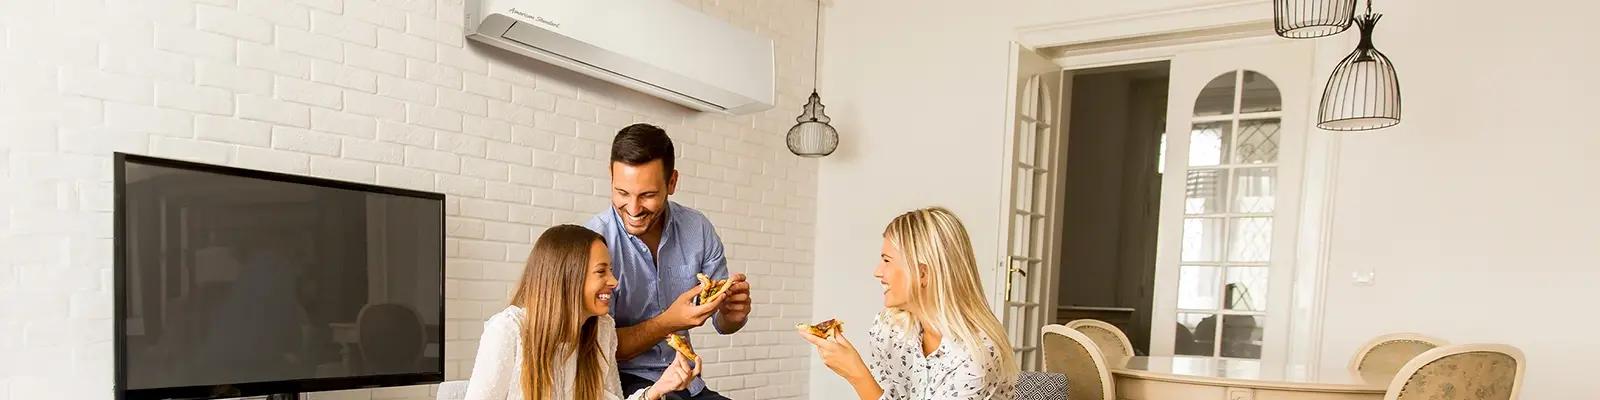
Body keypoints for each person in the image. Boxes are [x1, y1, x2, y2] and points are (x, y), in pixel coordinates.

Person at [582, 123, 752, 400]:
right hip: (620, 384)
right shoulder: (594, 240)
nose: (634, 209)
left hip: (687, 382)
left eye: (647, 195)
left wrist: (732, 314)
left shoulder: (698, 229)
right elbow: (594, 346)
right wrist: (667, 322)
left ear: (672, 182)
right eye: (622, 193)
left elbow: (723, 324)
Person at [798, 207, 1019, 400]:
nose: (877, 272)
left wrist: (856, 374)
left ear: (923, 273)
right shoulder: (889, 328)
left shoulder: (974, 354)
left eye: (887, 260)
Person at [463, 225, 699, 400]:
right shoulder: (508, 330)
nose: (614, 281)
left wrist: (658, 388)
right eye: (601, 272)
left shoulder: (601, 329)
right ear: (568, 278)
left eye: (612, 270)